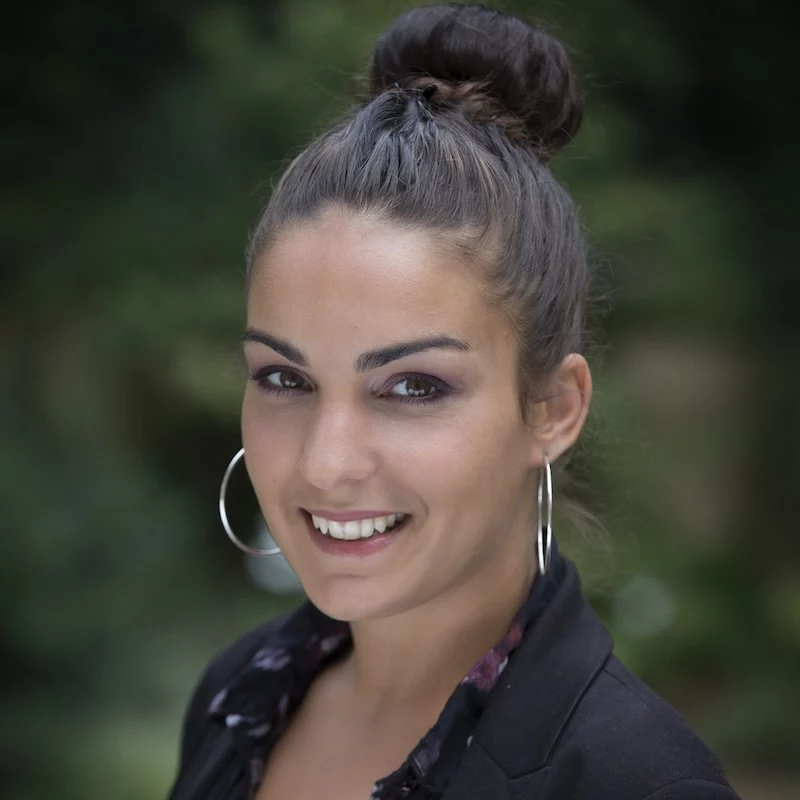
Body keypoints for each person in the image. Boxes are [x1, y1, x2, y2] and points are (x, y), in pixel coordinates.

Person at [168, 4, 741, 799]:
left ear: (552, 408)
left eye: (413, 387)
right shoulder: (237, 698)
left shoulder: (635, 782)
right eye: (285, 379)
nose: (326, 463)